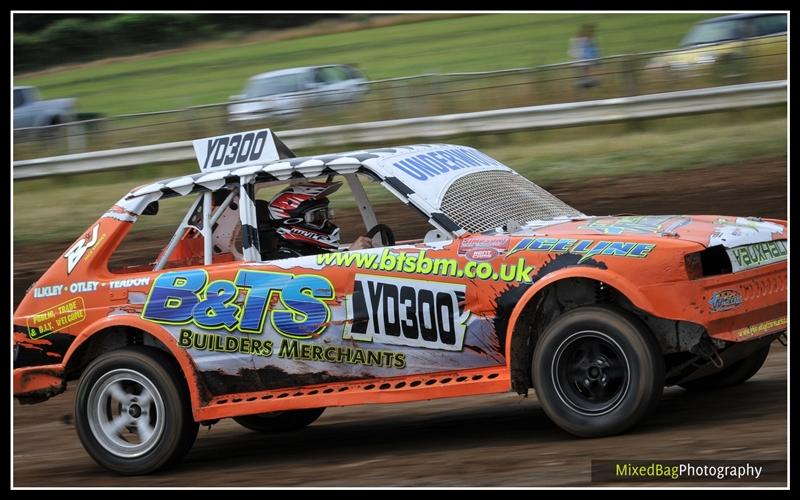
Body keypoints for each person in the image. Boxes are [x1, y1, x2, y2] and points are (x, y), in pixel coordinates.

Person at [259, 181, 373, 260]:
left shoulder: (309, 251)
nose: (325, 222)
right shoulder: (285, 258)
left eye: (326, 215)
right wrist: (349, 256)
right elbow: (321, 277)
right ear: (292, 222)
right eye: (317, 217)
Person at [569, 23, 600, 88]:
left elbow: (591, 51)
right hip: (584, 61)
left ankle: (585, 80)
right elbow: (584, 51)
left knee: (585, 69)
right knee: (585, 69)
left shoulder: (588, 41)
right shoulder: (583, 41)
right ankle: (585, 80)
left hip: (585, 61)